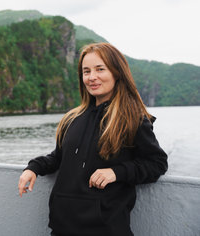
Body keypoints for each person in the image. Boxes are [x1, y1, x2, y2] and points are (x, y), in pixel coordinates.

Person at [18, 42, 168, 236]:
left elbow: (157, 163)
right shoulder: (72, 118)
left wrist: (117, 172)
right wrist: (33, 168)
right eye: (86, 71)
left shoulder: (133, 119)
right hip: (62, 227)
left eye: (100, 69)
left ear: (116, 72)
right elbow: (59, 157)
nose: (92, 77)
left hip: (106, 229)